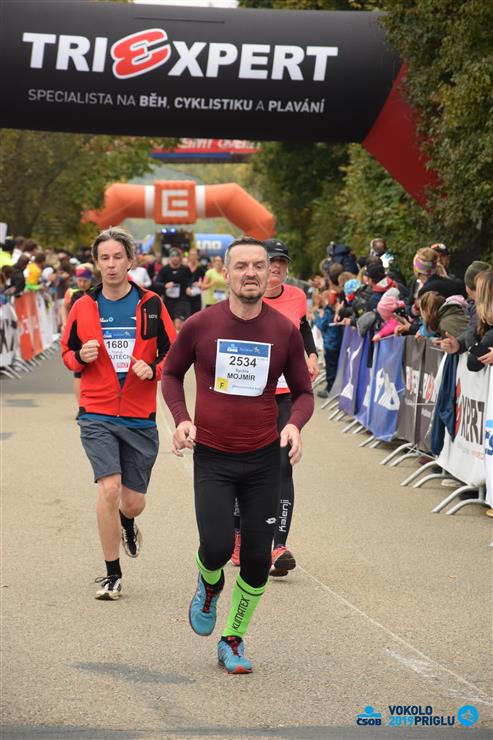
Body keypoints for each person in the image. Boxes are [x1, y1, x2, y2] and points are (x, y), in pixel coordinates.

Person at [161, 237, 313, 674]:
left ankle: (233, 638)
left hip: (263, 460)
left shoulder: (283, 330)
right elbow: (171, 374)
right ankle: (209, 586)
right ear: (225, 273)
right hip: (213, 456)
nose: (251, 273)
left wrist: (293, 424)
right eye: (241, 265)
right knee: (216, 547)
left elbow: (304, 392)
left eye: (259, 266)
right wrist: (181, 419)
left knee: (257, 561)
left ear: (269, 273)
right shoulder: (201, 324)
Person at [61, 227, 175, 600]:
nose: (111, 264)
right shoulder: (83, 305)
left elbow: (172, 354)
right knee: (108, 487)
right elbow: (67, 352)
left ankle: (128, 521)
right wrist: (80, 357)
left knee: (133, 502)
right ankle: (112, 574)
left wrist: (153, 369)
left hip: (140, 415)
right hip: (97, 411)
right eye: (104, 258)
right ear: (97, 263)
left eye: (117, 257)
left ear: (130, 261)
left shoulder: (152, 304)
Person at [229, 237, 318, 577]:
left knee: (283, 466)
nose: (277, 267)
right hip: (249, 394)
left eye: (282, 262)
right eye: (272, 261)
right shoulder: (245, 297)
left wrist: (312, 353)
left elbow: (303, 326)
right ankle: (238, 534)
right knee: (245, 464)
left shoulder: (296, 297)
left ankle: (278, 546)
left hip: (284, 394)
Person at [153, 247, 192, 331]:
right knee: (169, 325)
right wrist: (165, 285)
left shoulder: (185, 269)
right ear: (170, 258)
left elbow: (191, 280)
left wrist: (189, 287)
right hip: (168, 301)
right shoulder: (164, 269)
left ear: (180, 258)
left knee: (179, 324)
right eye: (173, 256)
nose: (175, 258)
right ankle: (173, 339)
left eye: (177, 256)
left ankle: (180, 339)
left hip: (182, 299)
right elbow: (156, 283)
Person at [186, 247, 206, 315]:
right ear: (189, 256)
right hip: (185, 296)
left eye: (195, 255)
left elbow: (205, 281)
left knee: (196, 316)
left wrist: (200, 284)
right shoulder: (184, 268)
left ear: (197, 256)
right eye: (191, 255)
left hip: (196, 295)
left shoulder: (201, 269)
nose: (193, 257)